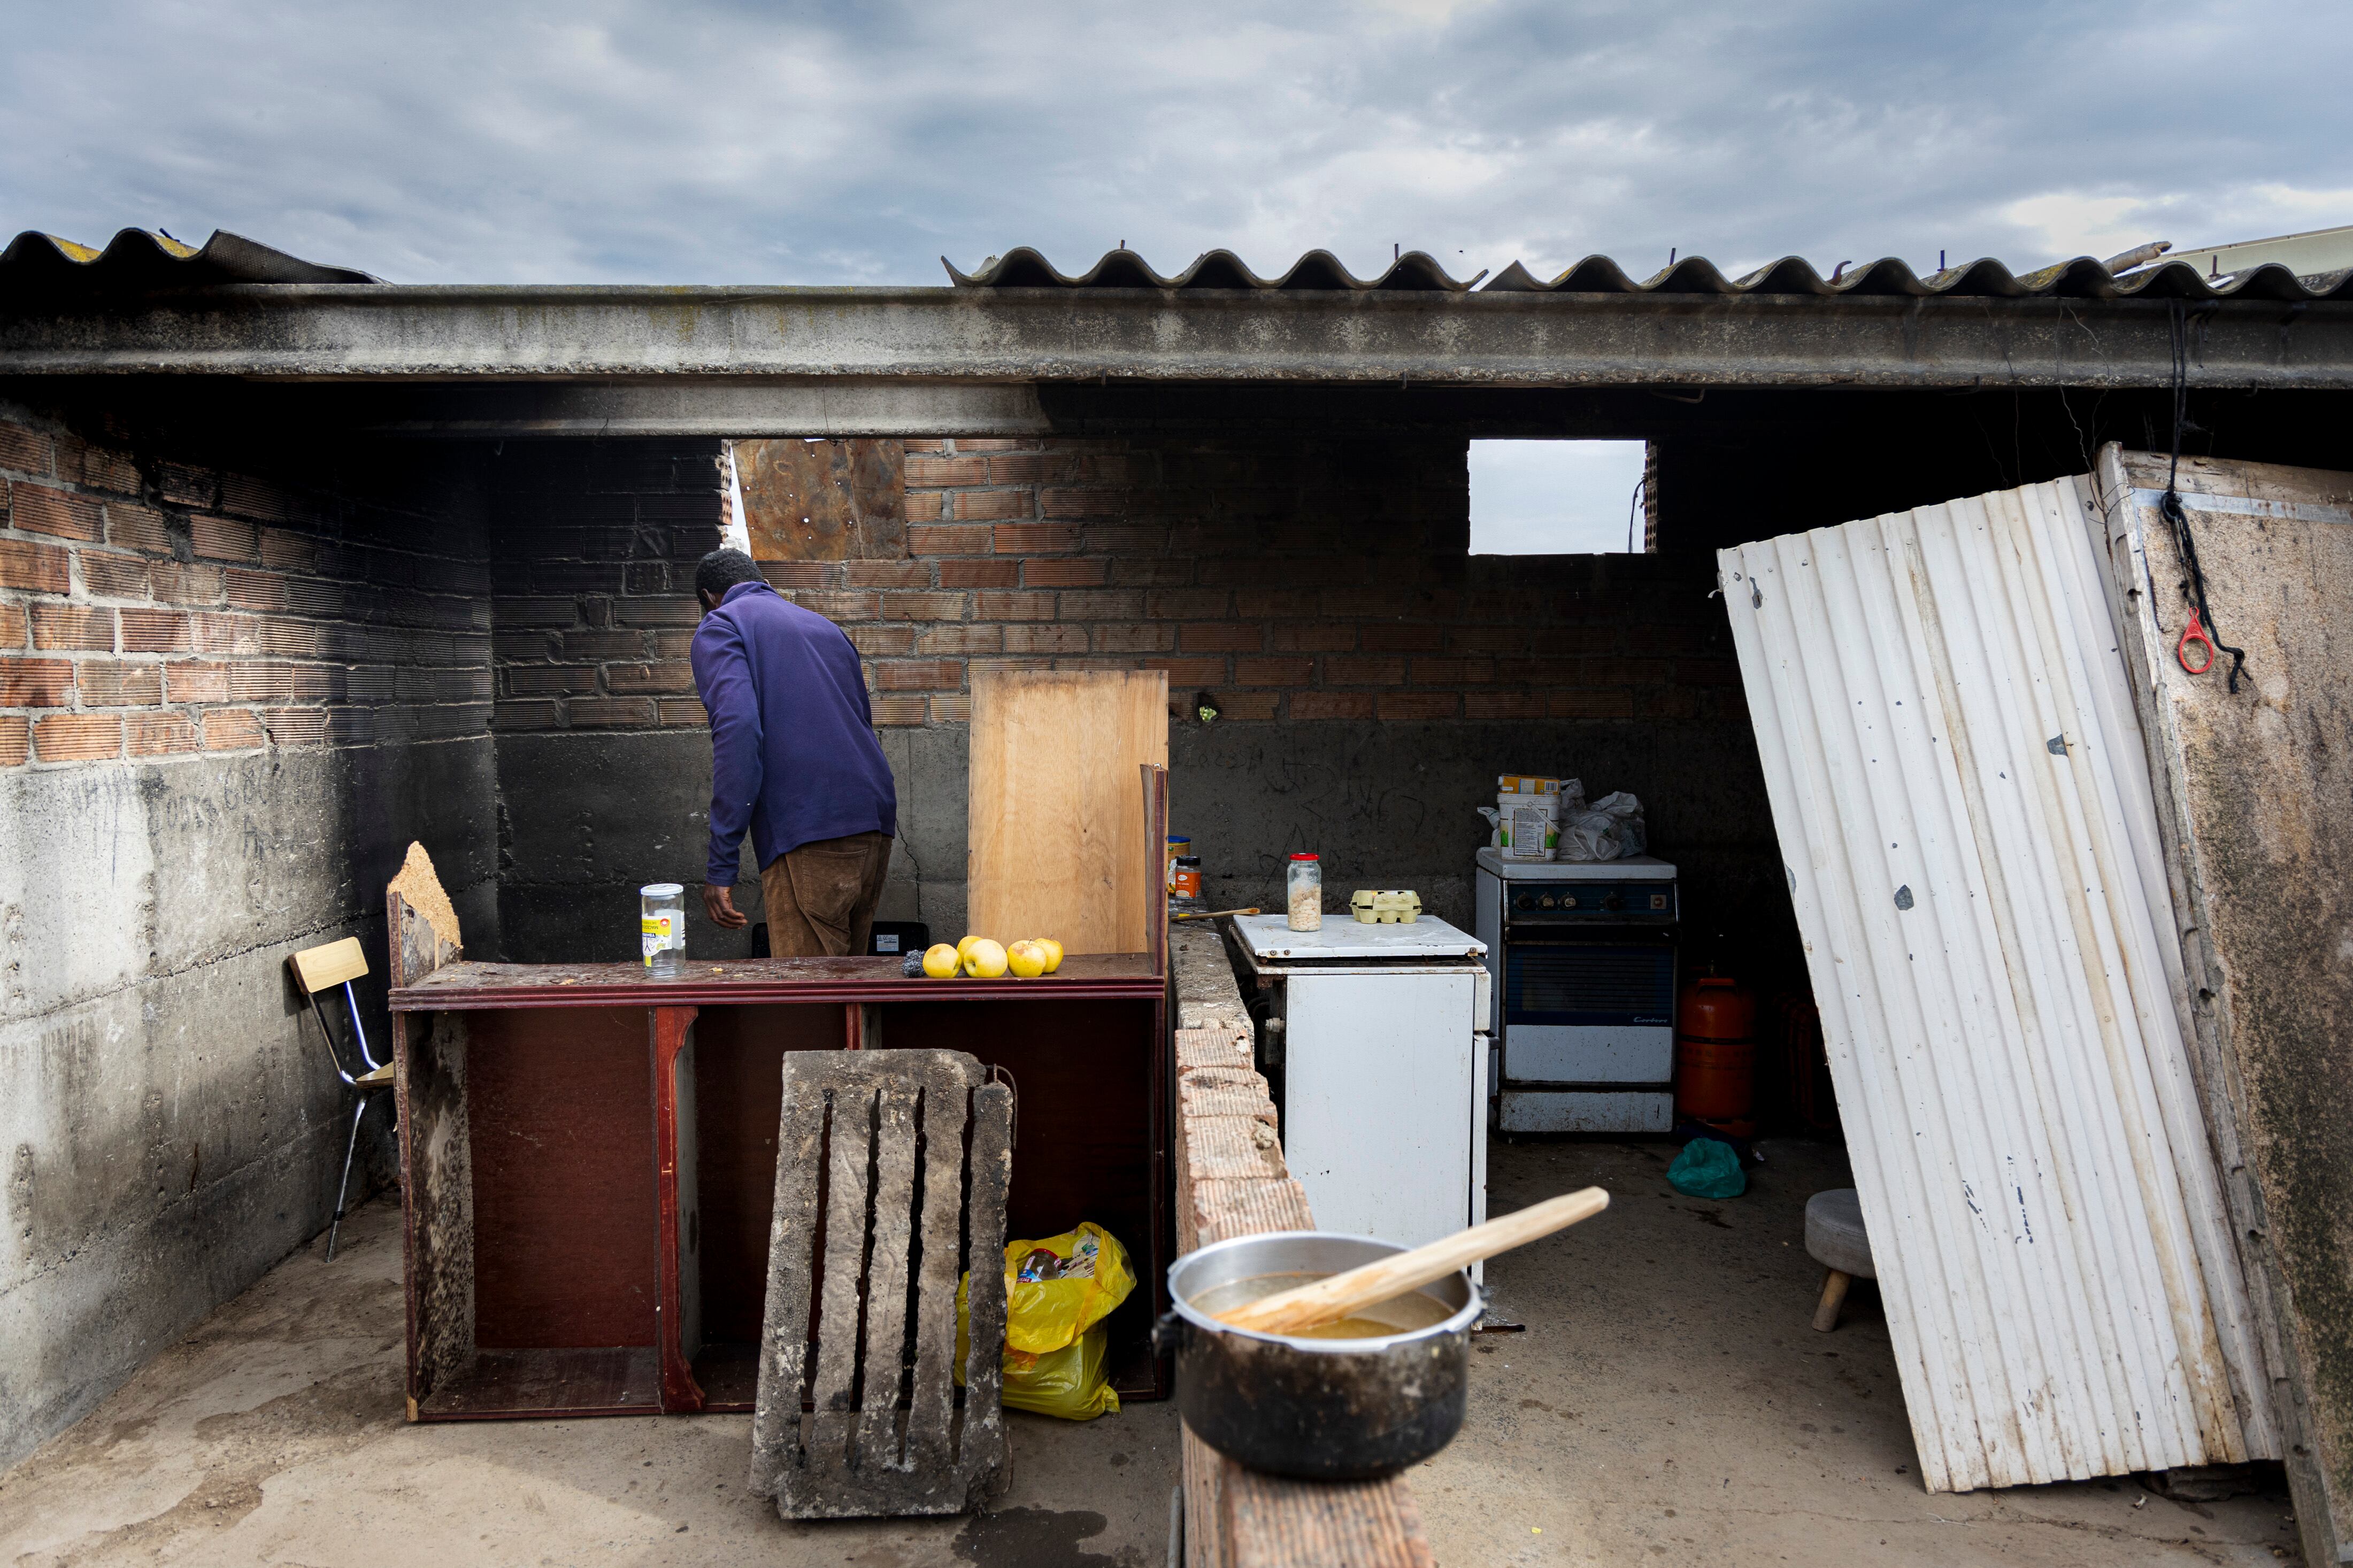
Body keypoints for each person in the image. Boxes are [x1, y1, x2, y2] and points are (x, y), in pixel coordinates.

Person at [689, 548, 898, 956]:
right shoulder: (826, 628)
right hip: (874, 821)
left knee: (809, 1001)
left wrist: (721, 865)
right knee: (850, 994)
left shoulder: (721, 625)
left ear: (709, 596)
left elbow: (739, 731)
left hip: (808, 827)